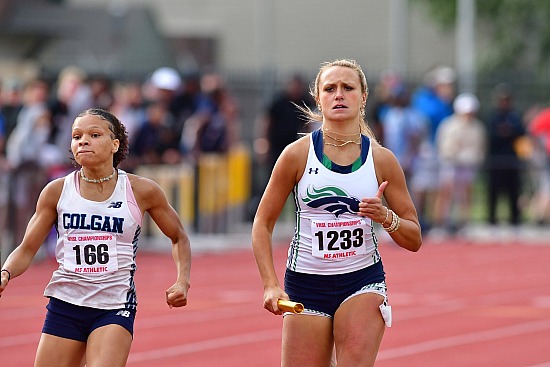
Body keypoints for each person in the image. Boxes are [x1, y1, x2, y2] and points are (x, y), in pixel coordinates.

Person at [251, 59, 422, 367]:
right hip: (305, 283)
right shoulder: (296, 155)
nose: (339, 95)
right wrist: (270, 284)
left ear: (363, 96)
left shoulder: (382, 160)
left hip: (361, 280)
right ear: (318, 98)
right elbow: (262, 224)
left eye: (348, 88)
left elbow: (414, 237)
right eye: (330, 89)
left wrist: (385, 217)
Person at [0, 108, 191, 367]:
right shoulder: (56, 191)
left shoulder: (141, 190)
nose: (83, 141)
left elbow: (178, 236)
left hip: (113, 304)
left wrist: (182, 281)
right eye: (76, 136)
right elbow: (26, 248)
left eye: (94, 134)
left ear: (115, 144)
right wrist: (6, 273)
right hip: (65, 303)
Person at [433, 93, 487, 235]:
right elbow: (444, 146)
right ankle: (441, 224)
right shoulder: (449, 125)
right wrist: (456, 154)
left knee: (466, 194)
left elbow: (480, 148)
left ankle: (464, 223)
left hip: (468, 165)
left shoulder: (477, 128)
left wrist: (472, 158)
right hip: (451, 164)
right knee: (445, 192)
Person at [485, 84, 525, 226]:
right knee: (494, 192)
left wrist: (509, 132)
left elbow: (520, 133)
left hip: (512, 159)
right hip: (496, 159)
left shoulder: (515, 116)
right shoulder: (493, 117)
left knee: (513, 191)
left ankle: (515, 220)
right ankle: (492, 220)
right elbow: (491, 135)